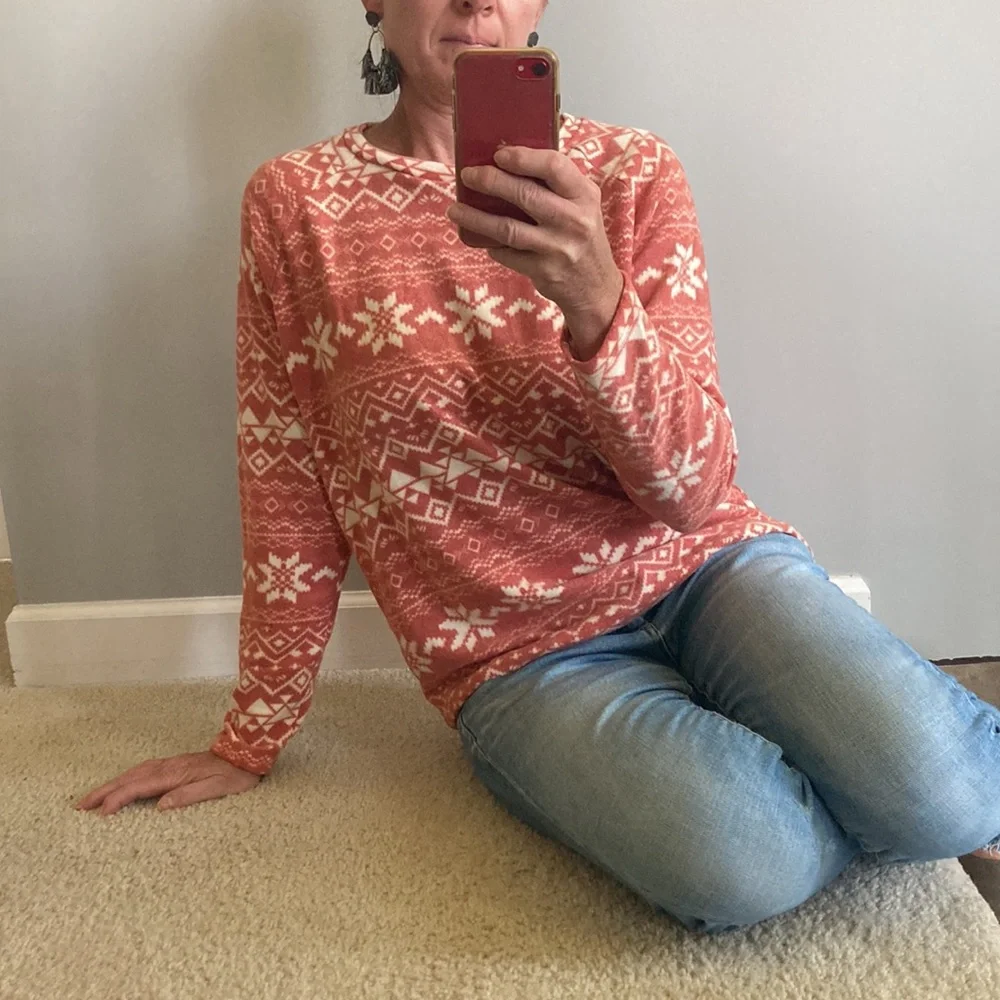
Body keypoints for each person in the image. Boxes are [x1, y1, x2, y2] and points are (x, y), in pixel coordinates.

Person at [75, 0, 1000, 934]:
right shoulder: (294, 204)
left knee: (956, 796)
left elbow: (692, 493)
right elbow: (284, 472)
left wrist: (595, 298)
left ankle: (828, 758)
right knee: (753, 861)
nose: (477, 1)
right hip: (516, 653)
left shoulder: (633, 173)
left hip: (704, 568)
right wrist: (253, 732)